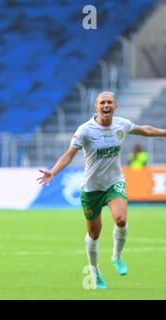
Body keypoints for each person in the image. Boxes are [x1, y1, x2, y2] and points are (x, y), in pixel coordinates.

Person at [36, 91, 166, 289]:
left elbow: (144, 130)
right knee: (95, 234)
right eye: (102, 102)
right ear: (96, 107)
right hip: (91, 188)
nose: (106, 105)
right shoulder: (85, 130)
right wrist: (53, 172)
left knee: (121, 220)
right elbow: (69, 155)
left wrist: (164, 132)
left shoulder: (121, 124)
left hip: (114, 182)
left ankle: (117, 256)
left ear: (115, 106)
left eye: (110, 102)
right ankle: (94, 271)